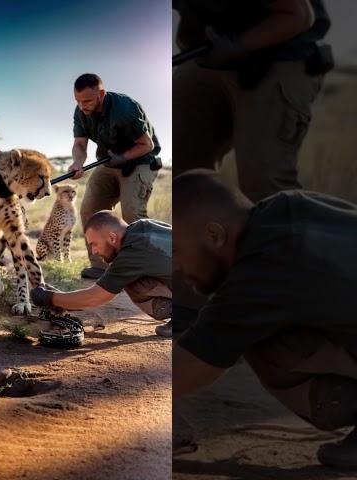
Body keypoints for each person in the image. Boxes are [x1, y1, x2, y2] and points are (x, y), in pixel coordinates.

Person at [172, 169, 357, 468]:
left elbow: (197, 361)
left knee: (264, 340)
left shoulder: (267, 265)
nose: (176, 266)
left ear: (215, 235)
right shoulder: (292, 206)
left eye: (177, 251)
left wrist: (127, 403)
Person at [172, 0, 331, 201]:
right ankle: (207, 228)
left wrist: (240, 45)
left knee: (264, 185)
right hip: (209, 54)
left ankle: (283, 230)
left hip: (281, 56)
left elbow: (298, 15)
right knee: (184, 179)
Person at [68, 73, 162, 280]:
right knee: (90, 211)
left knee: (132, 214)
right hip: (108, 162)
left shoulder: (124, 109)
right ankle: (101, 267)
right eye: (78, 100)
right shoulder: (81, 110)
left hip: (140, 161)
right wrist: (77, 163)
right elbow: (80, 145)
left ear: (101, 93)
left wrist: (123, 157)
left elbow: (147, 145)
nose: (82, 106)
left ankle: (146, 269)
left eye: (87, 101)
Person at [30, 210, 172, 338]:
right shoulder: (143, 225)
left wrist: (48, 298)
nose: (94, 252)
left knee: (131, 281)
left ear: (112, 237)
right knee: (125, 277)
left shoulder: (134, 252)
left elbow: (96, 297)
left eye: (94, 244)